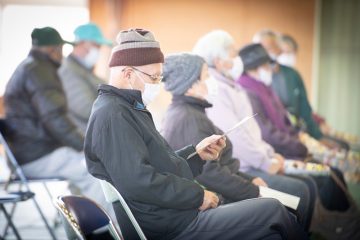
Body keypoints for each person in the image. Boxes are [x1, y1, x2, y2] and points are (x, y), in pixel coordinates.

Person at [84, 28, 308, 240]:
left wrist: (197, 155)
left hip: (173, 214)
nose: (156, 85)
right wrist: (197, 196)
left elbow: (160, 166)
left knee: (272, 217)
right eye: (153, 78)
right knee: (273, 210)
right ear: (127, 74)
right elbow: (139, 182)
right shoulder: (113, 115)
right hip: (170, 225)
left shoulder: (128, 108)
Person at [161, 52, 313, 230]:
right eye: (206, 76)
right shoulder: (187, 118)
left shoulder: (193, 112)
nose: (212, 80)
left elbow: (221, 165)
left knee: (290, 205)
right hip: (217, 198)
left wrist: (250, 179)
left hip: (229, 187)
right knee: (284, 206)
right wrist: (252, 190)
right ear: (190, 86)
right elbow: (210, 174)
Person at [3, 27, 112, 214]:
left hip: (29, 152)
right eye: (61, 49)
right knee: (95, 171)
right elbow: (55, 118)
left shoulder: (30, 67)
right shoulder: (39, 71)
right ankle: (105, 232)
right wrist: (85, 146)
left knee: (92, 165)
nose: (62, 55)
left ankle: (87, 223)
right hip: (36, 155)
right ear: (53, 49)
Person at [237, 43, 349, 211]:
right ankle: (338, 227)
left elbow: (285, 120)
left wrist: (298, 138)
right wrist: (297, 145)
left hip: (288, 147)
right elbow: (266, 132)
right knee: (323, 178)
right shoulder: (247, 90)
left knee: (333, 172)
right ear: (256, 67)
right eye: (268, 64)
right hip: (277, 152)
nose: (271, 69)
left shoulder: (263, 86)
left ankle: (342, 225)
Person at [58, 23, 112, 134]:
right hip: (84, 139)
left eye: (99, 47)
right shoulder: (68, 71)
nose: (98, 50)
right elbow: (87, 108)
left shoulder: (85, 71)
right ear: (80, 44)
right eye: (95, 45)